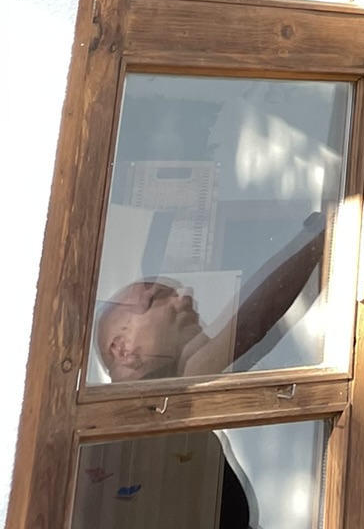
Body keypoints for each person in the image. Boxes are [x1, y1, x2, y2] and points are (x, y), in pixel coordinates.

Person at [90, 213, 329, 529]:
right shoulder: (140, 411)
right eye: (156, 298)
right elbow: (252, 320)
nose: (185, 296)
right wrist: (322, 236)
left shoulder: (158, 401)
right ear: (122, 349)